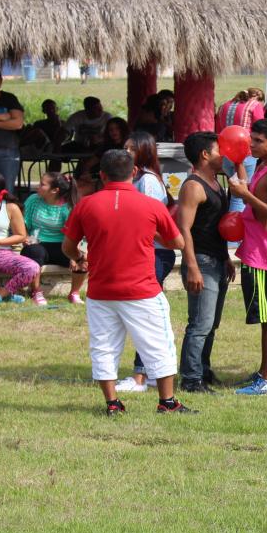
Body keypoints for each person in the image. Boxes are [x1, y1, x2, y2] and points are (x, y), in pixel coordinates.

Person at [61, 149, 193, 416]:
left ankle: (112, 403)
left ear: (102, 175)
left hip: (101, 290)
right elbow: (177, 242)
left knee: (103, 347)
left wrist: (80, 257)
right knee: (159, 344)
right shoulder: (151, 205)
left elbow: (68, 247)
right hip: (142, 289)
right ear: (134, 172)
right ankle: (167, 402)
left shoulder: (85, 205)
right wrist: (152, 234)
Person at [229, 119, 267, 396]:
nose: (251, 144)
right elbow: (256, 202)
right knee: (266, 318)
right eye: (251, 139)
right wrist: (241, 174)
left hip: (265, 257)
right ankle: (265, 375)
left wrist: (245, 195)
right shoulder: (262, 165)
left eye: (258, 141)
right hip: (256, 252)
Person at [115, 131, 175, 393]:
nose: (126, 152)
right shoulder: (138, 179)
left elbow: (149, 221)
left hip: (154, 254)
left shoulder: (148, 181)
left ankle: (141, 376)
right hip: (146, 252)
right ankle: (150, 372)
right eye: (125, 148)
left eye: (131, 149)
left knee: (144, 315)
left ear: (144, 151)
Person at [176, 132, 233, 393]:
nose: (225, 154)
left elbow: (216, 226)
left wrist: (226, 257)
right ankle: (191, 378)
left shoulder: (216, 182)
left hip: (217, 260)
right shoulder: (193, 186)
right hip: (201, 261)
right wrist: (192, 267)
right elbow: (184, 229)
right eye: (220, 150)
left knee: (211, 324)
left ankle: (203, 370)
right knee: (200, 323)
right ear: (205, 154)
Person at [20, 172, 86, 306]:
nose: (38, 186)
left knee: (83, 259)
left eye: (42, 184)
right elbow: (23, 223)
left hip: (62, 245)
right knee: (34, 252)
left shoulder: (68, 207)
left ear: (55, 190)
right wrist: (26, 237)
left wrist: (74, 255)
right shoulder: (33, 199)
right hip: (37, 243)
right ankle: (36, 291)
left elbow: (75, 234)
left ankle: (74, 293)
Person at [0, 172, 38, 307]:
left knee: (32, 267)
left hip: (2, 252)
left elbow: (21, 235)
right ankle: (1, 294)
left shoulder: (10, 207)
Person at [216, 89, 266, 214]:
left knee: (234, 190)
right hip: (245, 154)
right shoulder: (255, 106)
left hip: (226, 154)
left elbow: (219, 129)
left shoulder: (224, 106)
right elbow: (262, 130)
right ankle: (235, 224)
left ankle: (230, 221)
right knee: (240, 196)